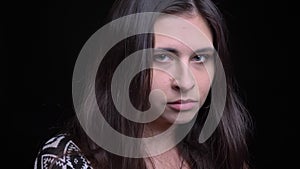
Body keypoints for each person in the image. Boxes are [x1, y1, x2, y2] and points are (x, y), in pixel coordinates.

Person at [34, 0, 253, 169]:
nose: (186, 82)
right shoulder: (69, 160)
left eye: (199, 58)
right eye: (163, 57)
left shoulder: (221, 156)